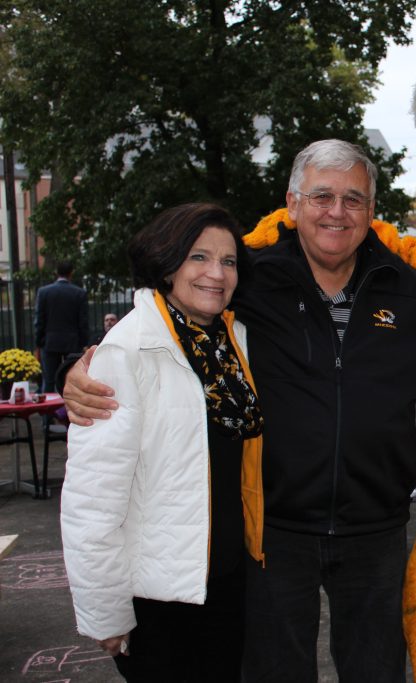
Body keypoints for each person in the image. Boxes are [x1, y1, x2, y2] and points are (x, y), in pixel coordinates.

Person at [62, 140, 416, 682]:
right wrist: (82, 371)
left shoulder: (414, 289)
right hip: (273, 531)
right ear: (292, 202)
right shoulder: (251, 277)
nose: (337, 212)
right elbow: (169, 325)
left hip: (375, 529)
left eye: (354, 199)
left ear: (372, 211)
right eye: (322, 196)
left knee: (377, 671)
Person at [61, 203, 262, 682]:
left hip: (226, 583)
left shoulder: (233, 342)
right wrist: (105, 613)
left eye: (229, 261)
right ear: (167, 263)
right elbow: (92, 500)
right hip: (156, 599)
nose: (216, 273)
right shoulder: (128, 351)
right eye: (199, 257)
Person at [34, 259, 89, 392]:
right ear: (71, 273)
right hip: (72, 342)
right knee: (73, 380)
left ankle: (48, 412)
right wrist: (83, 343)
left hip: (50, 341)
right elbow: (83, 321)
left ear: (56, 272)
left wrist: (39, 342)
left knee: (49, 381)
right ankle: (68, 411)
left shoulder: (44, 292)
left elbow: (39, 320)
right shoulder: (79, 293)